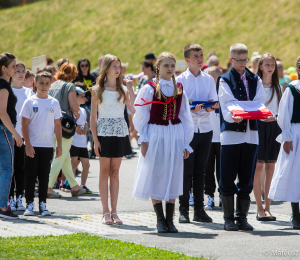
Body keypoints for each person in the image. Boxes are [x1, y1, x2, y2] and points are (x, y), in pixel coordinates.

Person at [132, 52, 194, 233]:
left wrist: (185, 143)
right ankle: (160, 219)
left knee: (173, 173)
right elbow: (141, 114)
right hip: (156, 133)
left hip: (174, 133)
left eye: (172, 66)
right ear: (158, 67)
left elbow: (185, 116)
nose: (170, 69)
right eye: (166, 66)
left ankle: (170, 219)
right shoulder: (150, 88)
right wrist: (143, 138)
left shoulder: (180, 88)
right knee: (157, 173)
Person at [218, 43, 275, 231]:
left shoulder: (255, 79)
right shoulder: (225, 79)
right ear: (231, 60)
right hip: (231, 135)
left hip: (251, 135)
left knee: (247, 177)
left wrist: (262, 114)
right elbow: (226, 103)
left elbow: (259, 101)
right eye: (239, 60)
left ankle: (241, 217)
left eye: (245, 60)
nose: (243, 63)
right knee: (227, 176)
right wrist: (232, 116)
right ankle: (228, 218)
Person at [90, 54, 135, 225]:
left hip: (120, 133)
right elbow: (93, 118)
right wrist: (95, 139)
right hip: (103, 134)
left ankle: (115, 211)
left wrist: (130, 88)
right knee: (104, 171)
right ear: (106, 68)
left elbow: (134, 109)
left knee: (115, 172)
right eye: (115, 67)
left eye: (119, 67)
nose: (118, 70)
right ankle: (105, 212)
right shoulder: (97, 90)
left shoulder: (123, 89)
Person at [177, 43, 218, 224]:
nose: (199, 59)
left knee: (201, 171)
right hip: (188, 130)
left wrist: (209, 107)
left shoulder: (208, 79)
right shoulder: (180, 80)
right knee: (186, 171)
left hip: (206, 128)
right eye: (195, 56)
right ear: (187, 60)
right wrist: (191, 109)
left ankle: (199, 210)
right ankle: (183, 209)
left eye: (201, 55)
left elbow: (214, 103)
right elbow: (178, 107)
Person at [20, 71, 62, 216]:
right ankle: (29, 205)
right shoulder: (30, 102)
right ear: (35, 83)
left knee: (44, 176)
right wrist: (28, 144)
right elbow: (24, 125)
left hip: (47, 146)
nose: (44, 86)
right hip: (33, 145)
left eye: (47, 83)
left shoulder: (54, 102)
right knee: (30, 176)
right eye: (41, 83)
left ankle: (43, 205)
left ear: (51, 84)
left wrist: (60, 145)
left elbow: (57, 125)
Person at [268, 57, 300, 230]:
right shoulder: (292, 89)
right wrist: (287, 136)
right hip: (296, 133)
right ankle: (296, 213)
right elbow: (284, 114)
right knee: (295, 172)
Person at [47, 62, 85, 197]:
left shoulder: (52, 85)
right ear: (72, 75)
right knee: (60, 156)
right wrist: (78, 114)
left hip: (50, 123)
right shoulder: (70, 86)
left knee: (65, 157)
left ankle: (74, 186)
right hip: (64, 126)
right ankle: (48, 187)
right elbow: (74, 107)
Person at [253, 53, 282, 221]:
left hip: (274, 127)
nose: (270, 68)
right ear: (261, 66)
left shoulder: (279, 88)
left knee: (271, 168)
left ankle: (268, 207)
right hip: (259, 126)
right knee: (257, 168)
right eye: (267, 65)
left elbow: (282, 112)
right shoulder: (256, 87)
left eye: (273, 65)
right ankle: (258, 208)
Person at [8, 61, 34, 212]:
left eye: (22, 71)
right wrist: (12, 133)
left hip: (24, 138)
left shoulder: (29, 92)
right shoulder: (7, 90)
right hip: (10, 136)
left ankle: (19, 199)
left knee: (21, 169)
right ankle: (10, 198)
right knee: (9, 169)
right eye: (17, 71)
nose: (20, 73)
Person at [0, 52, 22, 219]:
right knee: (8, 169)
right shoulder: (3, 85)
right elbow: (2, 112)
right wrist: (15, 134)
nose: (16, 68)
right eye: (13, 66)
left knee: (3, 170)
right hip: (4, 130)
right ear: (4, 68)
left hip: (4, 130)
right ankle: (3, 207)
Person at [204, 66, 223, 210]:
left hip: (223, 138)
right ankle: (210, 197)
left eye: (213, 78)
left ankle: (224, 196)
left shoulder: (225, 94)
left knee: (223, 171)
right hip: (207, 137)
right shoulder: (203, 93)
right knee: (208, 171)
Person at [70, 87, 92, 194]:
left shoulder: (83, 110)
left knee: (86, 165)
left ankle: (83, 185)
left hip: (83, 144)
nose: (85, 98)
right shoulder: (71, 111)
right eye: (82, 96)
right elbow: (68, 126)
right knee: (73, 165)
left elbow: (85, 124)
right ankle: (73, 185)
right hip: (74, 143)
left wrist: (86, 128)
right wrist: (75, 129)